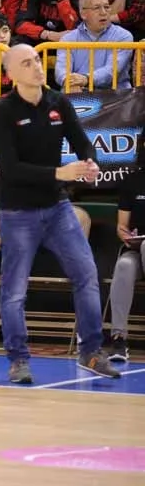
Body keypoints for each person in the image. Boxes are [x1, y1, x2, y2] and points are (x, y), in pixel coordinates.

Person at [0, 43, 121, 384]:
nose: (36, 66)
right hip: (18, 212)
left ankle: (91, 352)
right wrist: (59, 174)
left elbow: (82, 141)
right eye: (27, 62)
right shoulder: (3, 111)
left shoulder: (58, 102)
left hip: (57, 207)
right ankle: (18, 359)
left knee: (87, 274)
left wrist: (91, 161)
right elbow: (11, 168)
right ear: (11, 73)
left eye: (37, 59)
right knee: (15, 290)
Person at [107, 133, 145, 363]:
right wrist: (124, 234)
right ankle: (118, 339)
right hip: (137, 248)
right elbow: (122, 226)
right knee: (123, 265)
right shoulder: (133, 181)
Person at [55, 0, 133, 91]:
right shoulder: (68, 39)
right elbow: (61, 69)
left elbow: (112, 71)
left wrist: (86, 79)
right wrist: (68, 81)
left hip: (115, 95)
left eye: (106, 7)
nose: (103, 12)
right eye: (97, 8)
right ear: (83, 14)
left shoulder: (124, 36)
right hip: (79, 91)